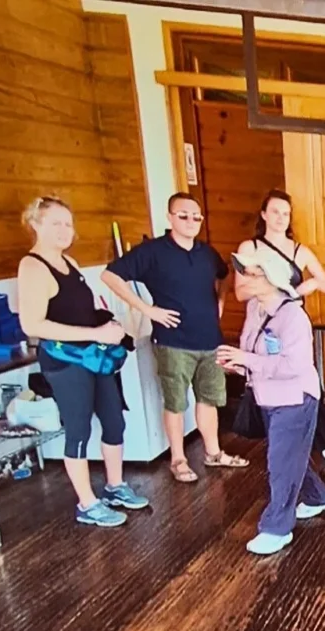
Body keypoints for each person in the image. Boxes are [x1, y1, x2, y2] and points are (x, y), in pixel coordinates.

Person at [16, 196, 148, 527]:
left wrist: (108, 327)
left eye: (68, 223)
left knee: (114, 421)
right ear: (36, 225)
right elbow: (33, 325)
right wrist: (94, 334)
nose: (64, 230)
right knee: (79, 429)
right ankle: (87, 503)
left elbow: (82, 310)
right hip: (64, 360)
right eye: (55, 223)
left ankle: (115, 486)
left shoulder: (70, 263)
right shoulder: (32, 267)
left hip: (93, 355)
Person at [102, 192, 248, 484]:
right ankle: (178, 459)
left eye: (196, 217)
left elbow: (224, 275)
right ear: (169, 217)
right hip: (173, 341)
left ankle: (213, 453)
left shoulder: (206, 253)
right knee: (176, 402)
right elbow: (110, 276)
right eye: (183, 215)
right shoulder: (153, 252)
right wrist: (148, 310)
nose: (191, 221)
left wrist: (220, 302)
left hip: (209, 339)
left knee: (209, 399)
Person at [216, 244, 325, 556]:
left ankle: (276, 528)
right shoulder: (256, 309)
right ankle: (319, 496)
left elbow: (293, 366)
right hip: (267, 397)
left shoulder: (294, 317)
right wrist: (238, 362)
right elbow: (252, 349)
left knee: (280, 462)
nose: (243, 279)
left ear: (272, 279)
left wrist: (248, 360)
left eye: (252, 273)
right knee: (289, 455)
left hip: (295, 399)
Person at [236, 189, 325, 468]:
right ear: (263, 215)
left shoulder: (299, 251)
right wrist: (278, 289)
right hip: (264, 319)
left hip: (291, 320)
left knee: (303, 379)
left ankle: (324, 442)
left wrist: (306, 286)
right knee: (268, 375)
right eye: (275, 212)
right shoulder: (251, 249)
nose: (281, 218)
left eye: (285, 214)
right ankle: (277, 438)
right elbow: (240, 292)